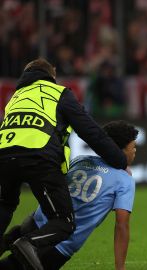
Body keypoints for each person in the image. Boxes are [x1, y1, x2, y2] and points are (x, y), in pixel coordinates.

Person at [0, 58, 127, 270]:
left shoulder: (15, 98)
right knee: (63, 222)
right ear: (53, 74)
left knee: (4, 206)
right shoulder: (59, 93)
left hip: (3, 156)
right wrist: (119, 160)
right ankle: (28, 243)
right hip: (39, 158)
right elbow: (91, 132)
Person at [0, 120, 138, 270]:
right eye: (133, 147)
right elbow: (121, 225)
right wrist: (120, 267)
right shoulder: (124, 180)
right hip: (60, 245)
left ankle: (10, 239)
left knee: (11, 239)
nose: (135, 151)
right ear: (120, 151)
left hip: (35, 222)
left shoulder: (80, 160)